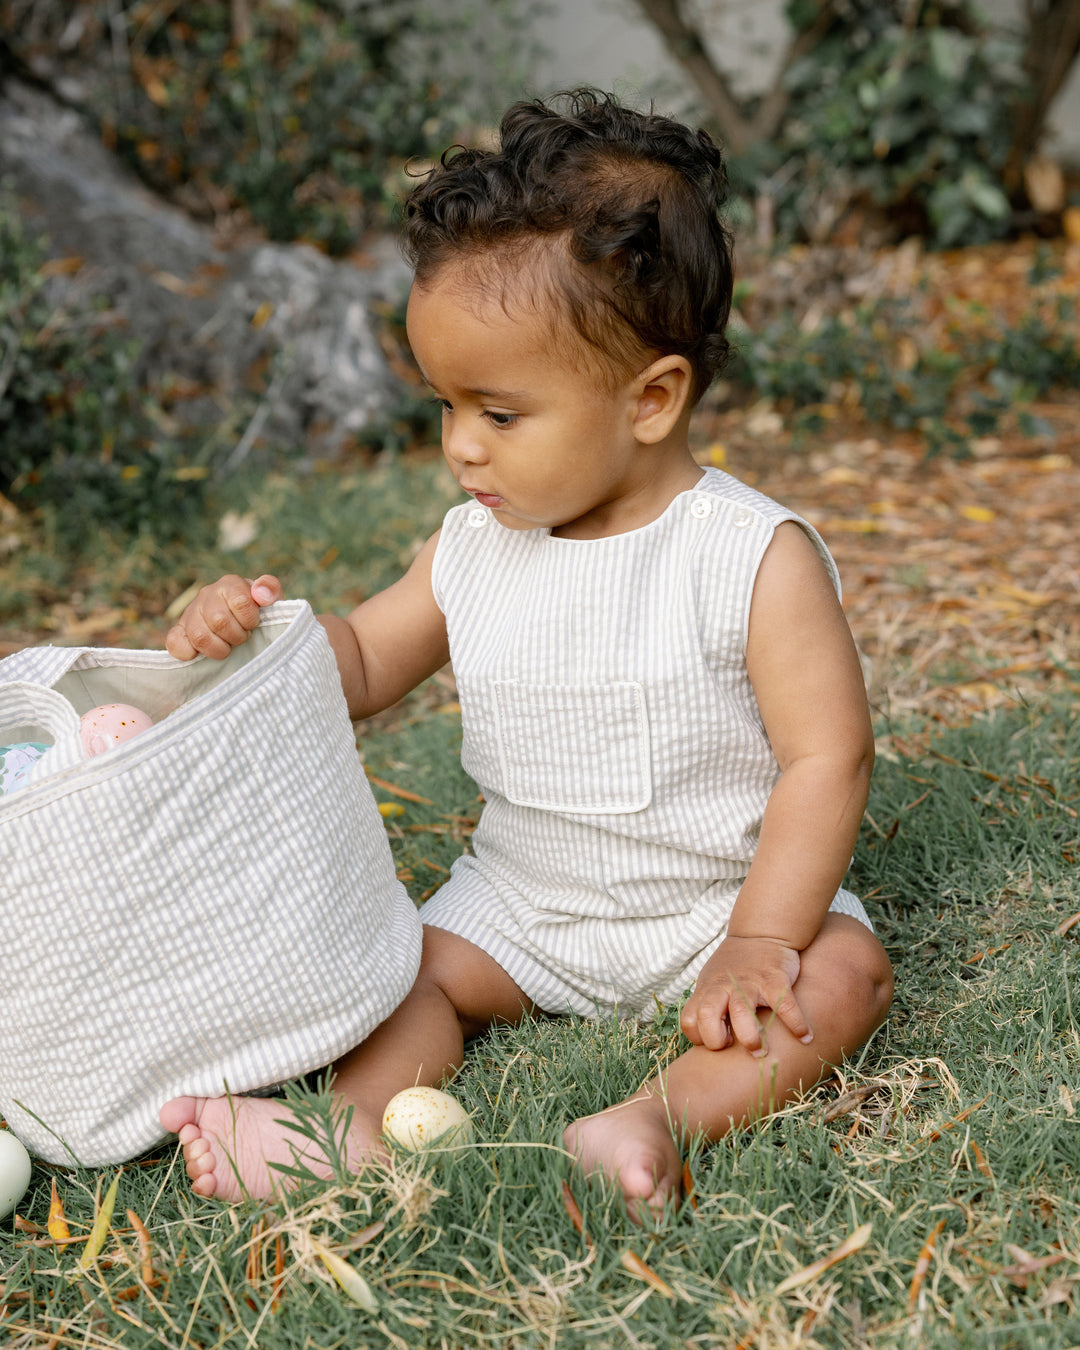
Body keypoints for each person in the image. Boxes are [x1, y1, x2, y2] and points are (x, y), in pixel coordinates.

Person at [159, 88, 893, 1221]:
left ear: (650, 399)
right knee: (404, 974)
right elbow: (354, 667)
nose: (460, 448)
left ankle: (654, 1115)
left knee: (841, 976)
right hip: (521, 905)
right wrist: (249, 634)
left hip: (712, 901)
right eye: (444, 407)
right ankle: (342, 1130)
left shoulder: (748, 555)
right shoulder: (472, 546)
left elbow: (826, 759)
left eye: (499, 414)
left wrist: (756, 939)